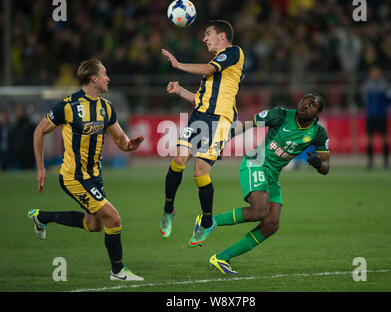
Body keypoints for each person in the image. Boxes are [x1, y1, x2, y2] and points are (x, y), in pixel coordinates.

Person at [29, 59, 145, 281]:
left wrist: (130, 145)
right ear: (93, 78)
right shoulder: (68, 106)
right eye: (105, 74)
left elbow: (121, 140)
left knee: (93, 226)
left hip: (94, 177)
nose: (108, 78)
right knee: (114, 219)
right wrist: (41, 168)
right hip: (74, 177)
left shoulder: (106, 107)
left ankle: (41, 217)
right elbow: (39, 132)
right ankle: (118, 272)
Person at [209, 93, 330, 274]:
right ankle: (208, 222)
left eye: (312, 104)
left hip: (273, 174)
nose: (305, 104)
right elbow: (249, 123)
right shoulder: (281, 115)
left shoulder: (318, 133)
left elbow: (326, 166)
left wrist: (320, 164)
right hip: (256, 162)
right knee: (259, 210)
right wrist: (223, 139)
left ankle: (221, 258)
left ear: (317, 114)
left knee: (271, 224)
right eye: (304, 100)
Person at [159, 20, 245, 247]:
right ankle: (168, 210)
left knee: (199, 172)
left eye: (208, 34)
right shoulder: (214, 69)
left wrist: (178, 64)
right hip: (199, 116)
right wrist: (180, 91)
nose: (205, 39)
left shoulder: (234, 53)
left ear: (222, 36)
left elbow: (208, 68)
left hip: (220, 121)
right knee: (178, 159)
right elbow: (200, 99)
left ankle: (207, 222)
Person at [362, 65, 391, 169]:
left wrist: (386, 107)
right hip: (371, 115)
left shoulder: (385, 84)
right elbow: (364, 99)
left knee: (385, 138)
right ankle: (370, 162)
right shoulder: (367, 85)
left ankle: (386, 162)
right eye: (373, 72)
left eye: (376, 72)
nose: (375, 74)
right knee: (369, 139)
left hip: (382, 115)